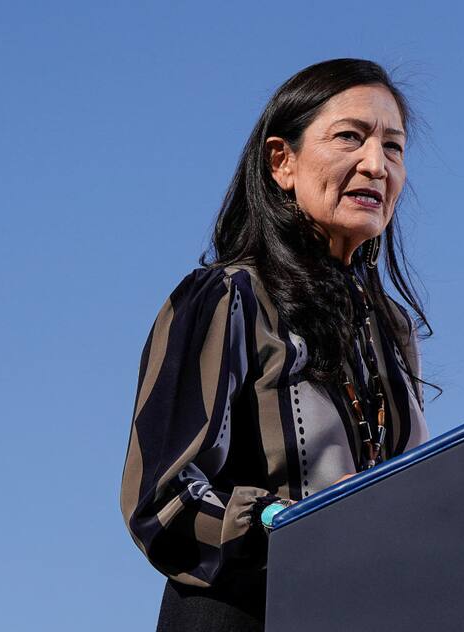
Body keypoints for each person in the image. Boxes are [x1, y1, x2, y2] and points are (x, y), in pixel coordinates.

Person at [120, 58, 432, 632]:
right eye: (349, 137)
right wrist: (287, 521)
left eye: (394, 147)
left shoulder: (390, 328)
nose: (376, 164)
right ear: (281, 162)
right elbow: (163, 500)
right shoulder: (226, 297)